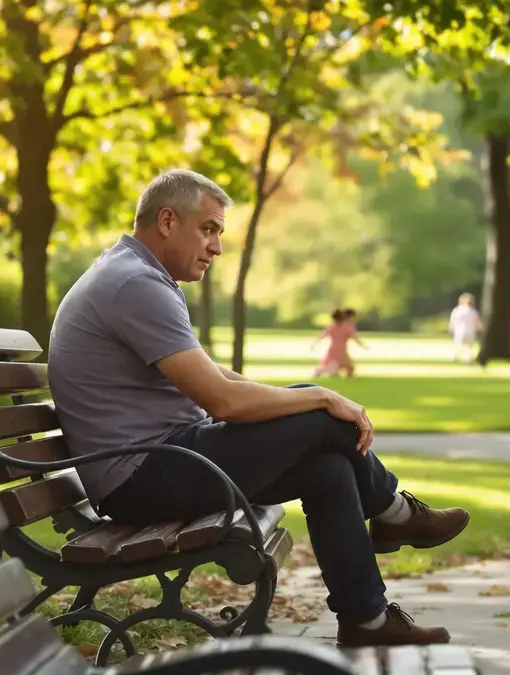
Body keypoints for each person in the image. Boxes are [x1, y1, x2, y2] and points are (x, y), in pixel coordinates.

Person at [47, 169, 469, 647]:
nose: (217, 247)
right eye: (208, 229)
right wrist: (321, 397)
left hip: (159, 463)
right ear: (167, 220)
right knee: (321, 418)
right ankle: (392, 511)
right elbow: (223, 401)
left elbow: (217, 376)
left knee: (327, 466)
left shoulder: (134, 275)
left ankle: (366, 620)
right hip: (145, 476)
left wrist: (304, 396)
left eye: (218, 233)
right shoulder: (134, 285)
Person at [313, 308, 365, 378]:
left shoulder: (332, 326)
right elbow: (355, 338)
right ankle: (319, 371)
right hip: (340, 351)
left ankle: (333, 374)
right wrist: (362, 346)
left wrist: (314, 344)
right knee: (338, 367)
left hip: (335, 350)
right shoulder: (346, 327)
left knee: (348, 368)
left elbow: (322, 336)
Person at [447, 293, 483, 364]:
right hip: (470, 332)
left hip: (459, 331)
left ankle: (456, 357)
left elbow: (452, 321)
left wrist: (451, 328)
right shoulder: (473, 312)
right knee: (469, 347)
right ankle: (468, 360)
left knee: (458, 345)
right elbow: (477, 323)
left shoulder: (457, 310)